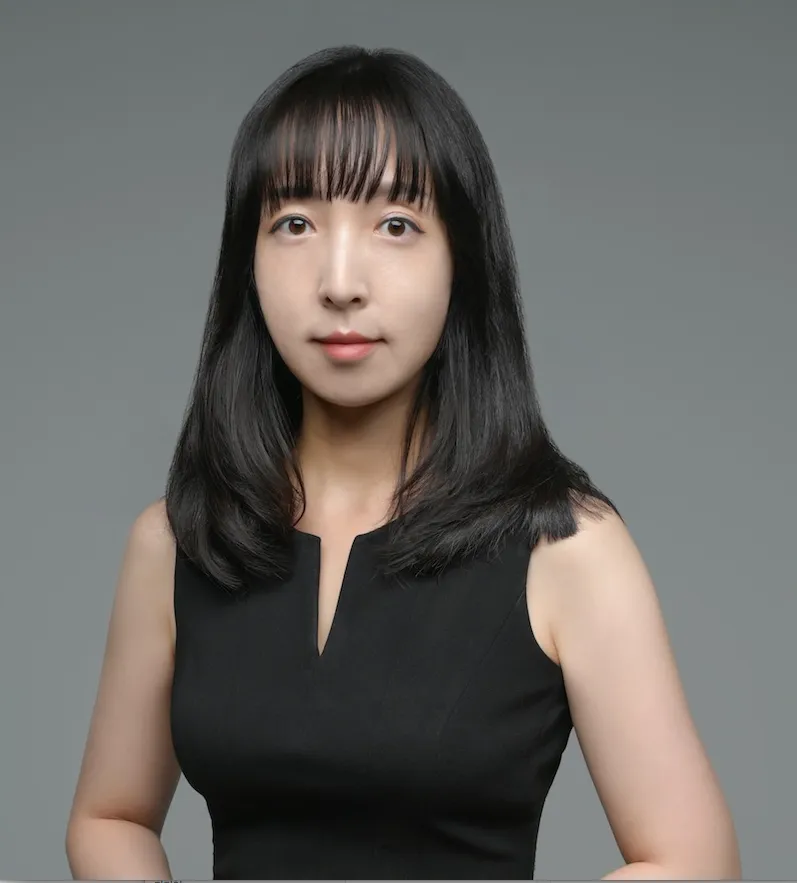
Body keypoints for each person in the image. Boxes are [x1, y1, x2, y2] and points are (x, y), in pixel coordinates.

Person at [65, 46, 741, 880]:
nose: (339, 282)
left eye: (395, 225)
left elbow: (692, 859)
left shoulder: (566, 548)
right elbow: (110, 816)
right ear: (247, 261)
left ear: (462, 261)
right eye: (295, 223)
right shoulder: (174, 542)